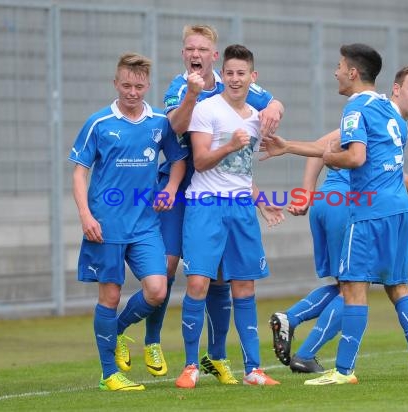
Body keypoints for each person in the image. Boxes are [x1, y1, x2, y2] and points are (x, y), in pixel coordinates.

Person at [261, 48, 408, 384]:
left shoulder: (356, 107)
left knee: (353, 290)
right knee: (398, 287)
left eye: (340, 66)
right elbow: (376, 163)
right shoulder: (392, 116)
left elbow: (355, 157)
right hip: (399, 211)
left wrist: (331, 161)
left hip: (368, 213)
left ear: (354, 72)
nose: (336, 72)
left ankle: (341, 370)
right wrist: (289, 148)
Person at [118, 24, 284, 383]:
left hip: (233, 199)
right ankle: (151, 340)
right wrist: (193, 96)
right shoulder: (184, 91)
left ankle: (221, 357)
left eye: (202, 48)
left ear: (213, 55)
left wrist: (275, 106)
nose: (195, 54)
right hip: (184, 189)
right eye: (189, 48)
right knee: (170, 270)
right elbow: (174, 128)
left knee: (229, 281)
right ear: (184, 54)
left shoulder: (236, 93)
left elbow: (267, 105)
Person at [69, 52, 188, 391]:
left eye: (138, 86)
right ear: (115, 84)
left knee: (157, 289)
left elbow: (178, 160)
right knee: (109, 295)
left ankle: (118, 330)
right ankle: (110, 374)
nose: (132, 92)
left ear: (147, 85)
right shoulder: (99, 123)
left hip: (145, 225)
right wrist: (85, 215)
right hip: (105, 226)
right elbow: (80, 173)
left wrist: (171, 188)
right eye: (126, 85)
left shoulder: (159, 123)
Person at [175, 44, 280, 388]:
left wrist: (262, 202)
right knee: (197, 283)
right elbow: (201, 161)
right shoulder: (206, 109)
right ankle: (191, 366)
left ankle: (253, 370)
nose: (235, 79)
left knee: (245, 286)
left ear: (253, 77)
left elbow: (243, 174)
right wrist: (230, 145)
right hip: (205, 204)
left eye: (242, 73)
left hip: (241, 208)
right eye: (230, 73)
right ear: (224, 75)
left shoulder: (255, 117)